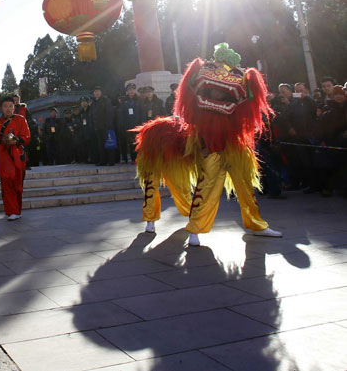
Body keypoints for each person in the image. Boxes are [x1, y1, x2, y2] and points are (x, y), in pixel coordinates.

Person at [135, 43, 282, 246]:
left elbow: (245, 107)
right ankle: (194, 229)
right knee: (206, 187)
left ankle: (257, 224)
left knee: (246, 186)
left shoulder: (238, 88)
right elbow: (192, 112)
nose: (218, 94)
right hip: (210, 145)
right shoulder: (199, 98)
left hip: (234, 145)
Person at [0, 95, 30, 220]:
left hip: (18, 155)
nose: (8, 109)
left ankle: (17, 210)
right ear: (1, 108)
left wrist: (17, 140)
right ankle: (11, 211)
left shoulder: (21, 119)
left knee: (18, 183)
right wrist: (4, 140)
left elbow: (27, 137)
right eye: (5, 106)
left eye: (10, 106)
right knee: (7, 183)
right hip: (4, 156)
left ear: (14, 107)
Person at [117, 83, 142, 164]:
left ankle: (138, 158)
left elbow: (142, 113)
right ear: (127, 91)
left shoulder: (139, 100)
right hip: (127, 125)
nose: (131, 91)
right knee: (130, 143)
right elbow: (121, 114)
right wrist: (122, 125)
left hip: (137, 125)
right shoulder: (124, 101)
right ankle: (132, 158)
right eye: (130, 90)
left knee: (137, 142)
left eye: (133, 90)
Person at [90, 85, 115, 167]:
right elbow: (92, 115)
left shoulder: (106, 101)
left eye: (98, 91)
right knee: (100, 145)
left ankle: (111, 161)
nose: (96, 93)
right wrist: (93, 126)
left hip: (106, 126)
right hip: (97, 127)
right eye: (95, 91)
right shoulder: (93, 103)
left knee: (109, 143)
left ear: (101, 92)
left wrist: (108, 125)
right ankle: (103, 160)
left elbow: (110, 113)